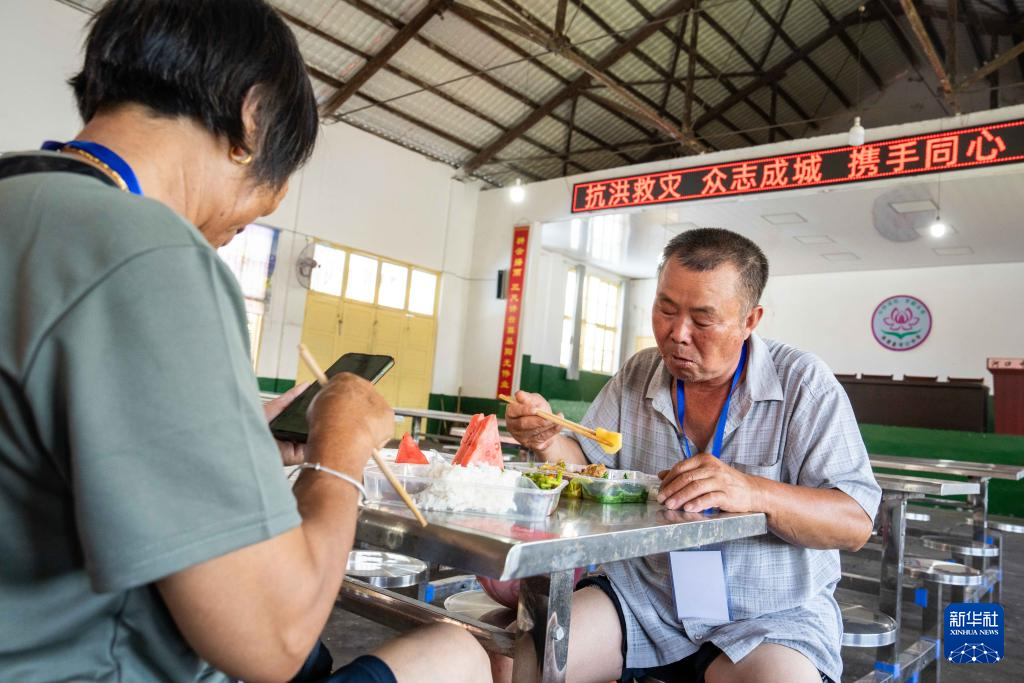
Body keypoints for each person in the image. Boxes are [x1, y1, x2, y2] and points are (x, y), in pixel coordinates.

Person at [0, 1, 489, 682]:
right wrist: (340, 449)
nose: (270, 202)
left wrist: (239, 438)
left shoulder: (23, 200)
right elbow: (271, 637)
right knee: (455, 651)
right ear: (250, 119)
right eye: (283, 171)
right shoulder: (149, 255)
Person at [505, 228, 881, 683]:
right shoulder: (638, 373)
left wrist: (753, 491)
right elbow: (588, 468)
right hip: (647, 597)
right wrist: (546, 439)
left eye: (703, 320)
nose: (677, 334)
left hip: (768, 615)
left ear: (750, 320)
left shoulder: (804, 384)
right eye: (665, 309)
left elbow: (855, 523)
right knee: (523, 669)